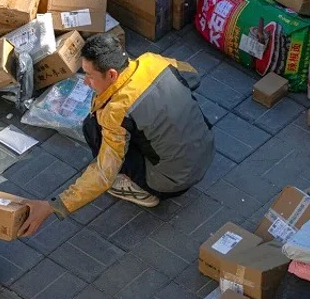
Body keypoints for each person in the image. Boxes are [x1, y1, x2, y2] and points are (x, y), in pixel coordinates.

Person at [19, 34, 214, 234]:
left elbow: (104, 173)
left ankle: (140, 190)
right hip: (206, 150)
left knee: (92, 127)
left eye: (90, 76)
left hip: (171, 182)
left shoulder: (116, 110)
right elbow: (192, 77)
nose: (86, 82)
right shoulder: (153, 61)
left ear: (112, 74)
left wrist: (53, 206)